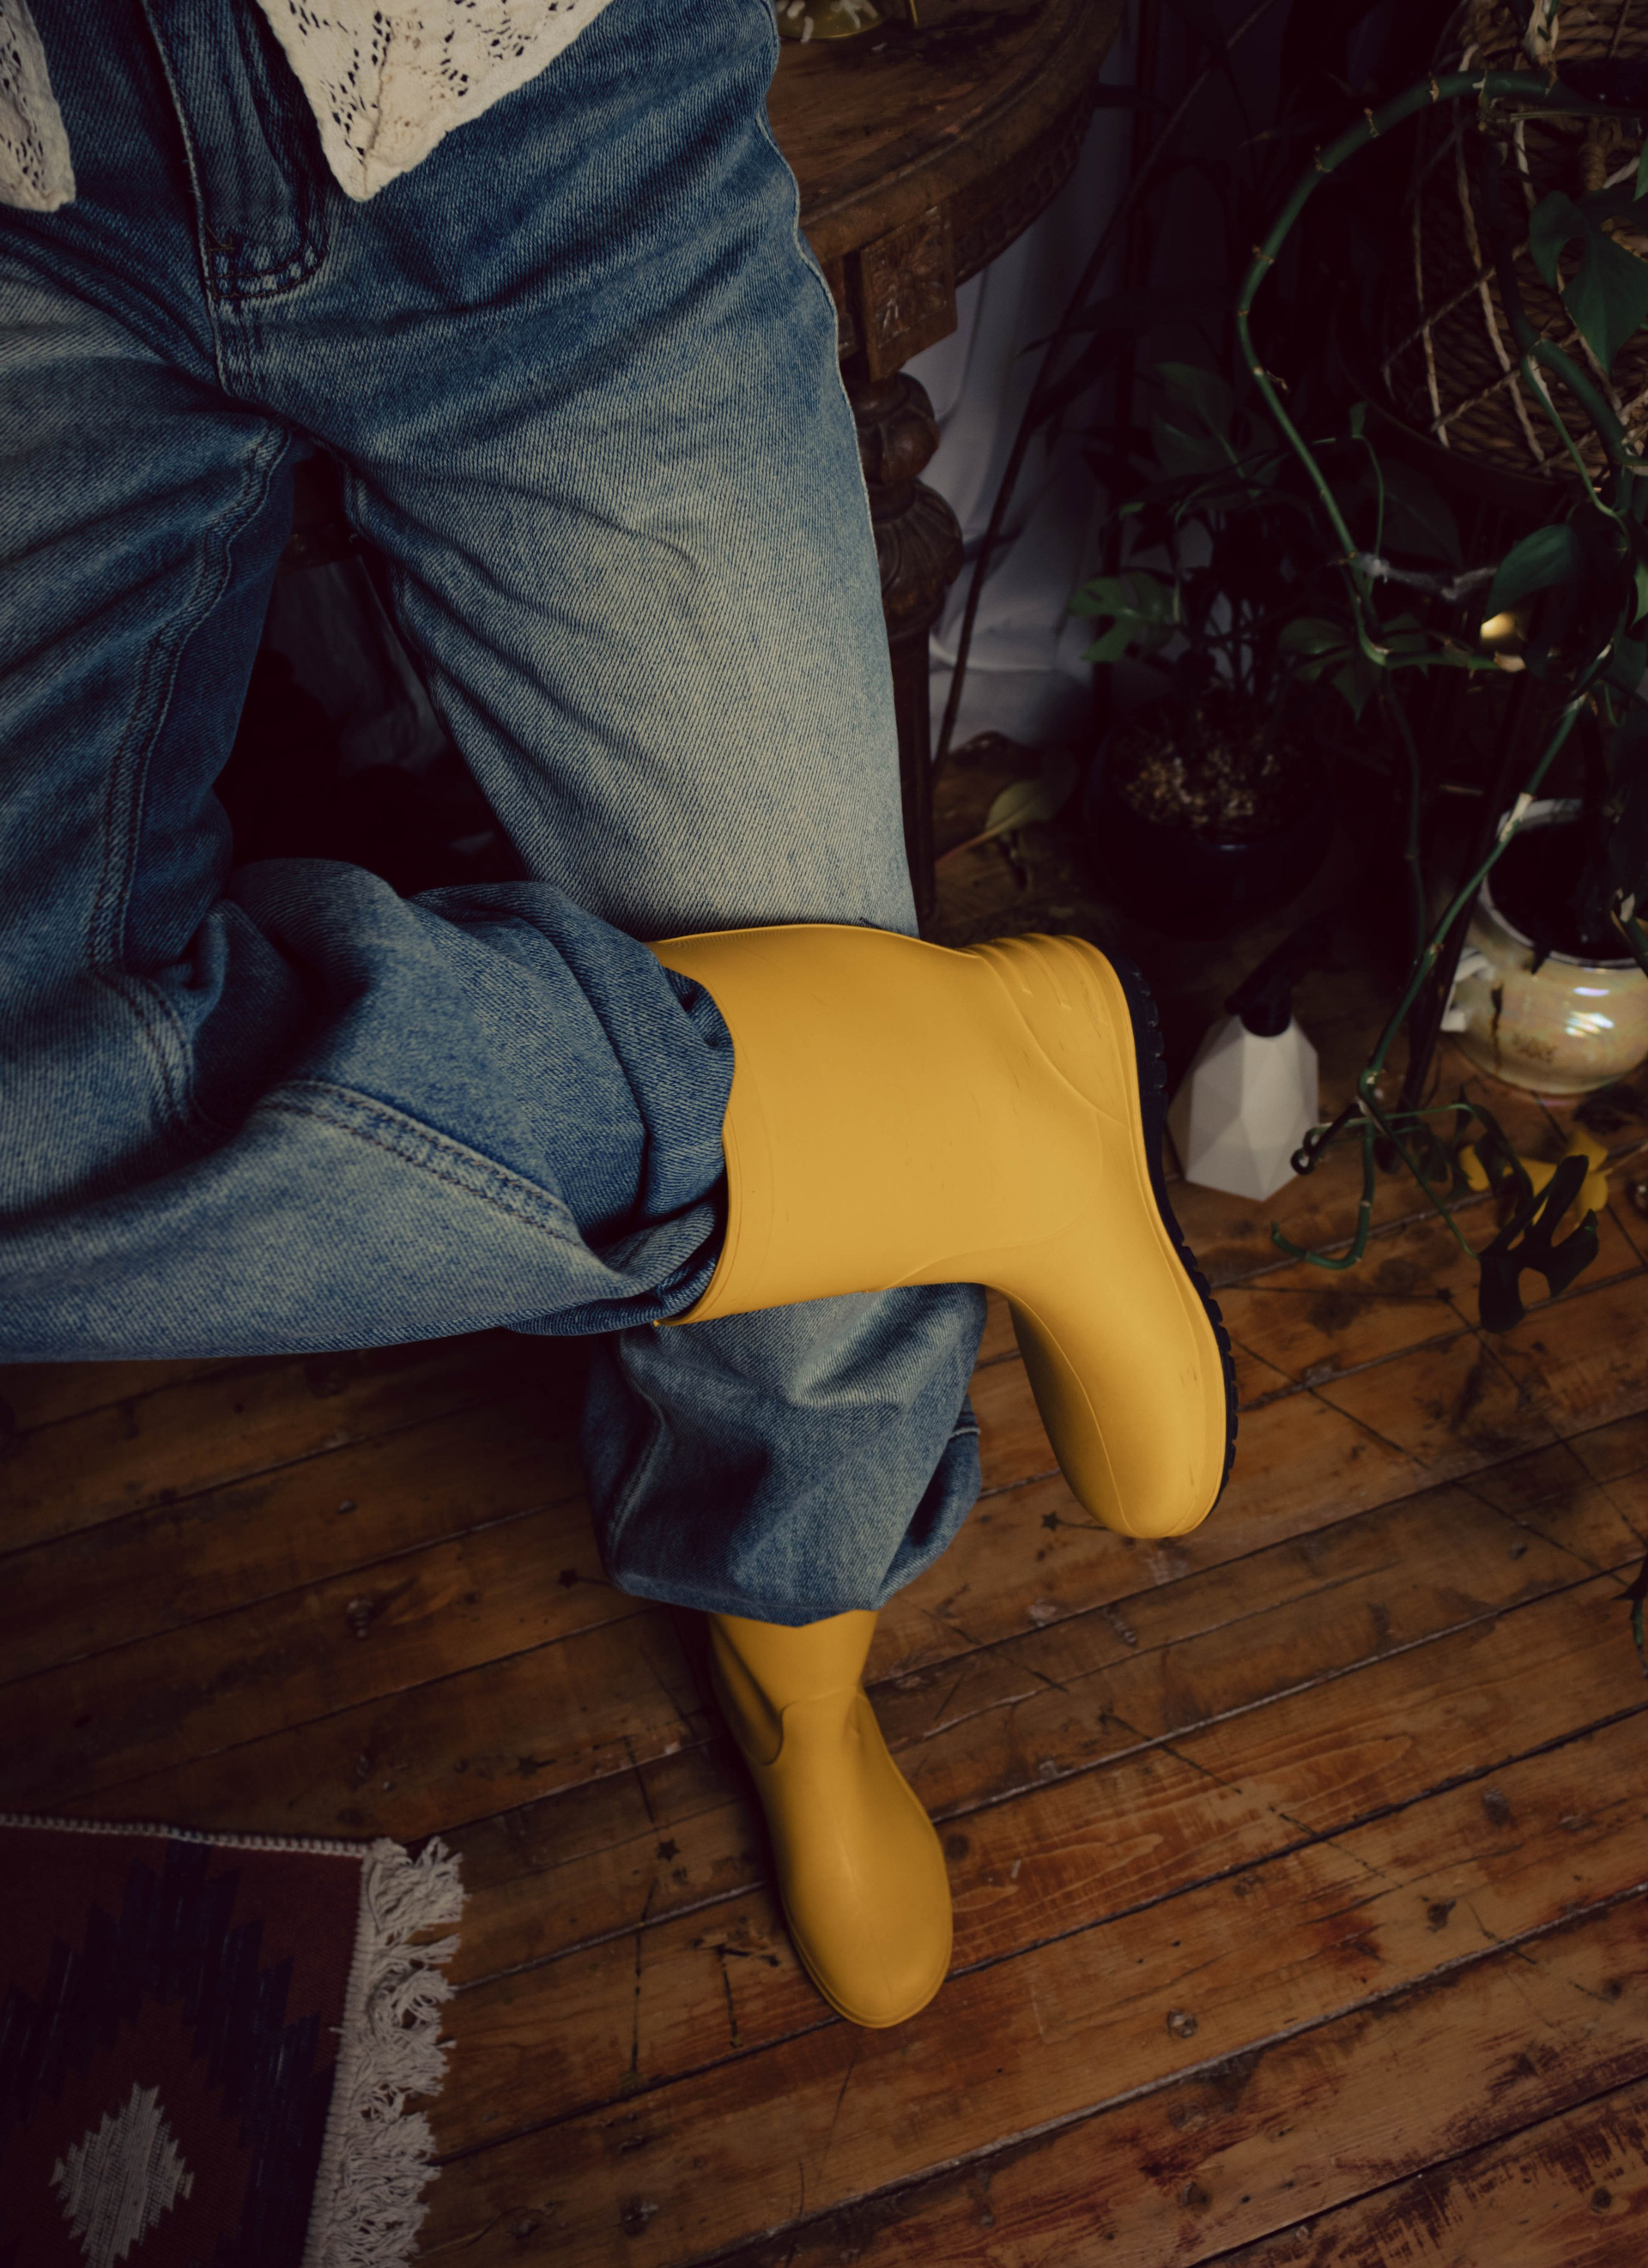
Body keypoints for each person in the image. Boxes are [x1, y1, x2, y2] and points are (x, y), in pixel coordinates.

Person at [0, 0, 1233, 2031]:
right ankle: (944, 1114)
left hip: (530, 123)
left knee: (768, 951)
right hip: (31, 194)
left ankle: (802, 1663)